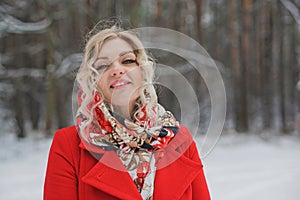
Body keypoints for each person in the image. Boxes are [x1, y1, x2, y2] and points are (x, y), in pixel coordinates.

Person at [44, 21, 210, 200]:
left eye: (128, 61)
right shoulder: (67, 146)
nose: (116, 70)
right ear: (93, 80)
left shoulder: (180, 140)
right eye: (102, 66)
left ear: (142, 71)